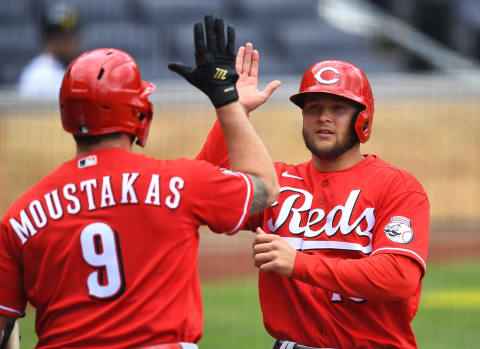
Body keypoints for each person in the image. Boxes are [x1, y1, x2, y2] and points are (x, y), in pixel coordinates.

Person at [0, 16, 279, 348]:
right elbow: (264, 187)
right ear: (139, 112)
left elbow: (4, 326)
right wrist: (228, 103)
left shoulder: (18, 217)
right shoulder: (178, 182)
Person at [197, 43, 430, 349]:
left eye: (338, 108)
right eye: (314, 107)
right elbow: (205, 196)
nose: (323, 117)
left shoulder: (396, 186)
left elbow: (398, 277)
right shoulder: (275, 181)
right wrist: (233, 110)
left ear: (363, 119)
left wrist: (299, 264)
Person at [17, 0, 82, 98]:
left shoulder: (82, 70)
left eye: (70, 38)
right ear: (48, 42)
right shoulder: (37, 74)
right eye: (60, 39)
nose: (67, 45)